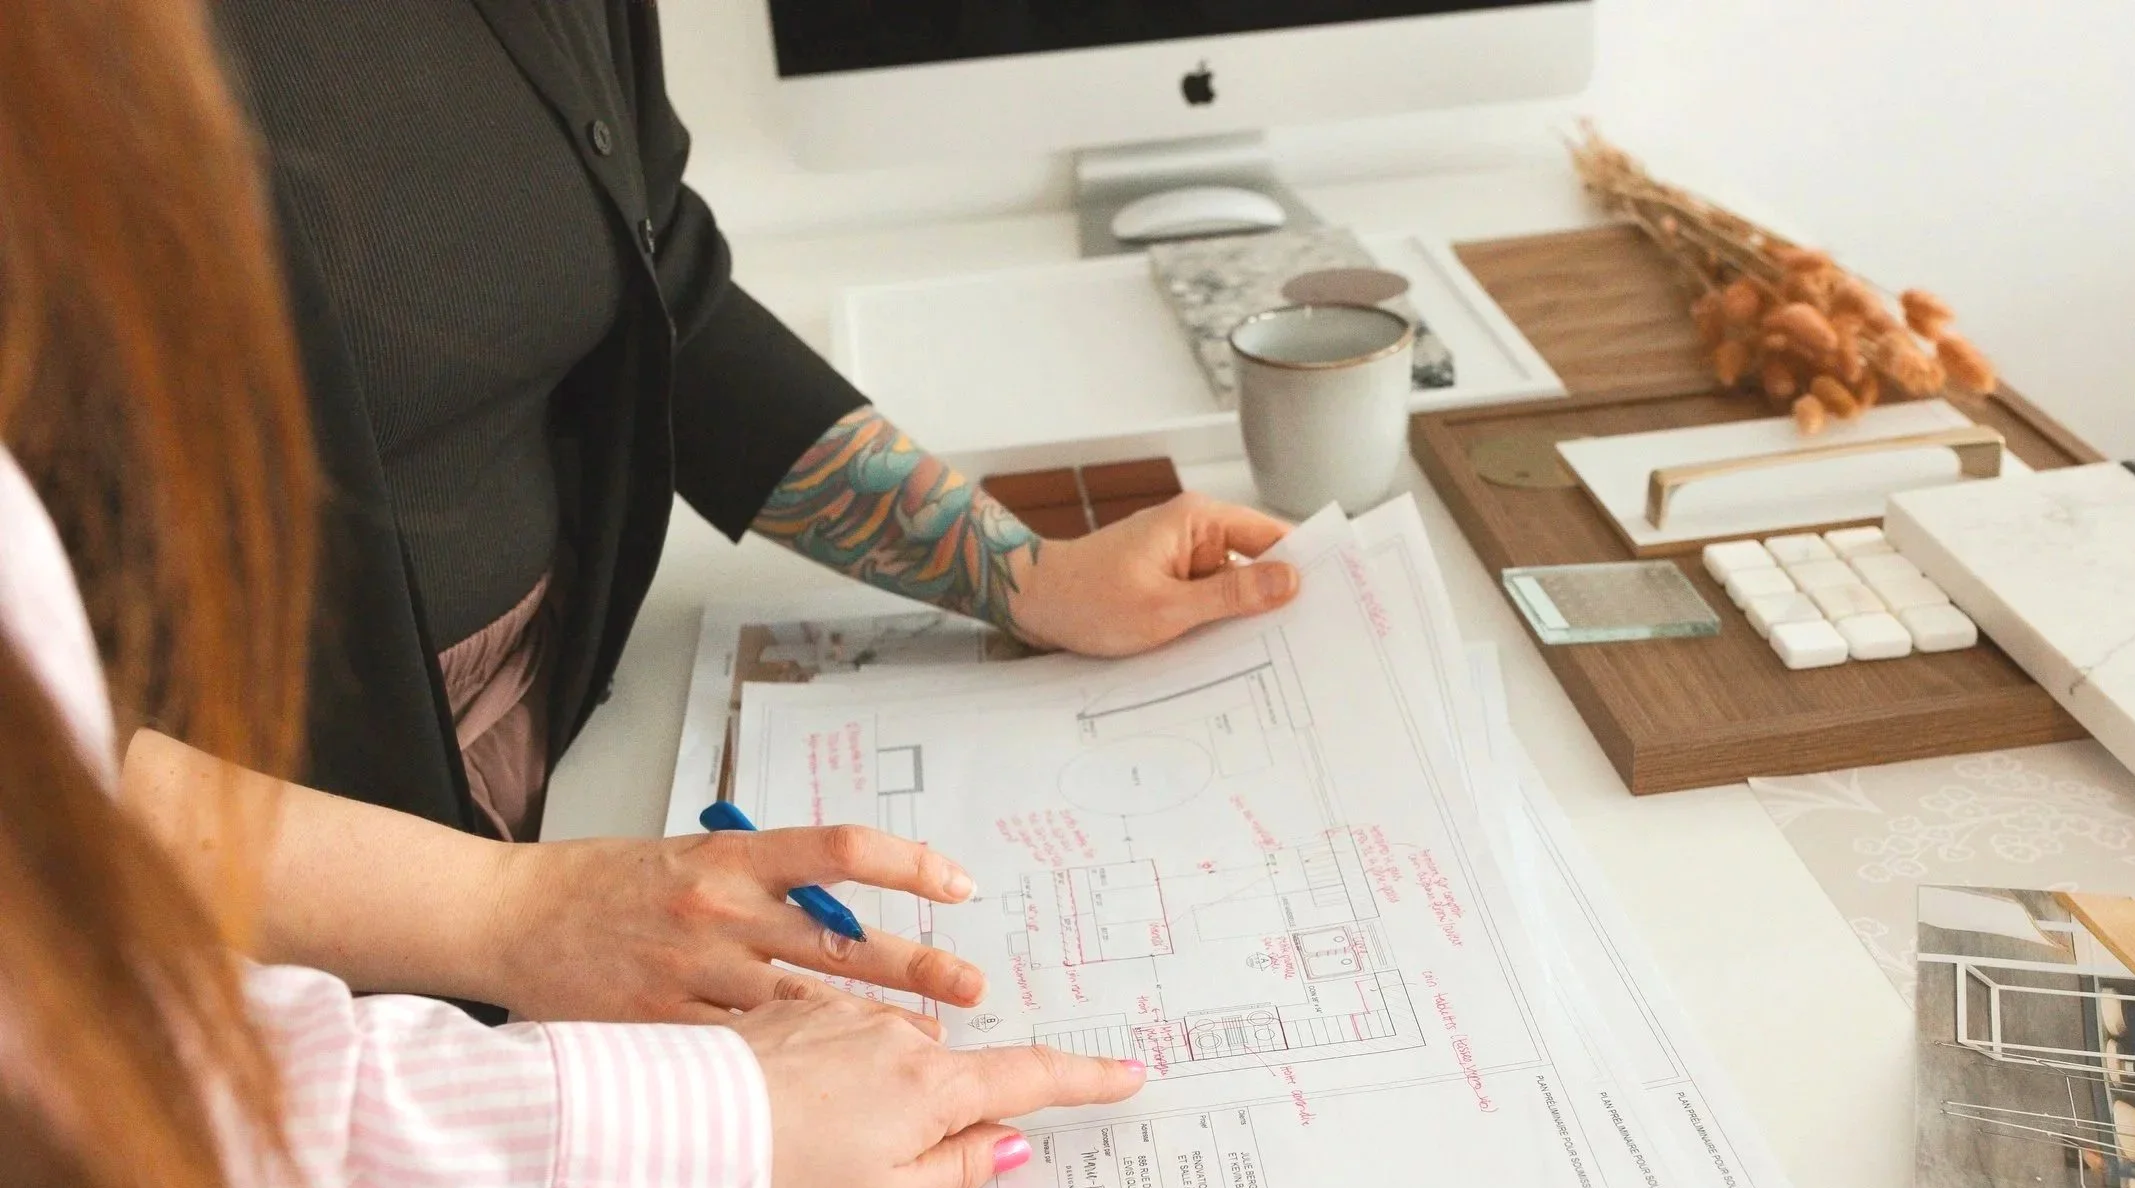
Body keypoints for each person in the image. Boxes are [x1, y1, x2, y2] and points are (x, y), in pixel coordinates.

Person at [0, 2, 1142, 1188]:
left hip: (572, 819)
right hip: (288, 918)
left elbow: (660, 287)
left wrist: (1006, 565)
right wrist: (532, 939)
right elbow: (67, 814)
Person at [105, 2, 1298, 1028]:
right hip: (221, 910)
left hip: (576, 777)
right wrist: (516, 913)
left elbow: (661, 291)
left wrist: (1021, 574)